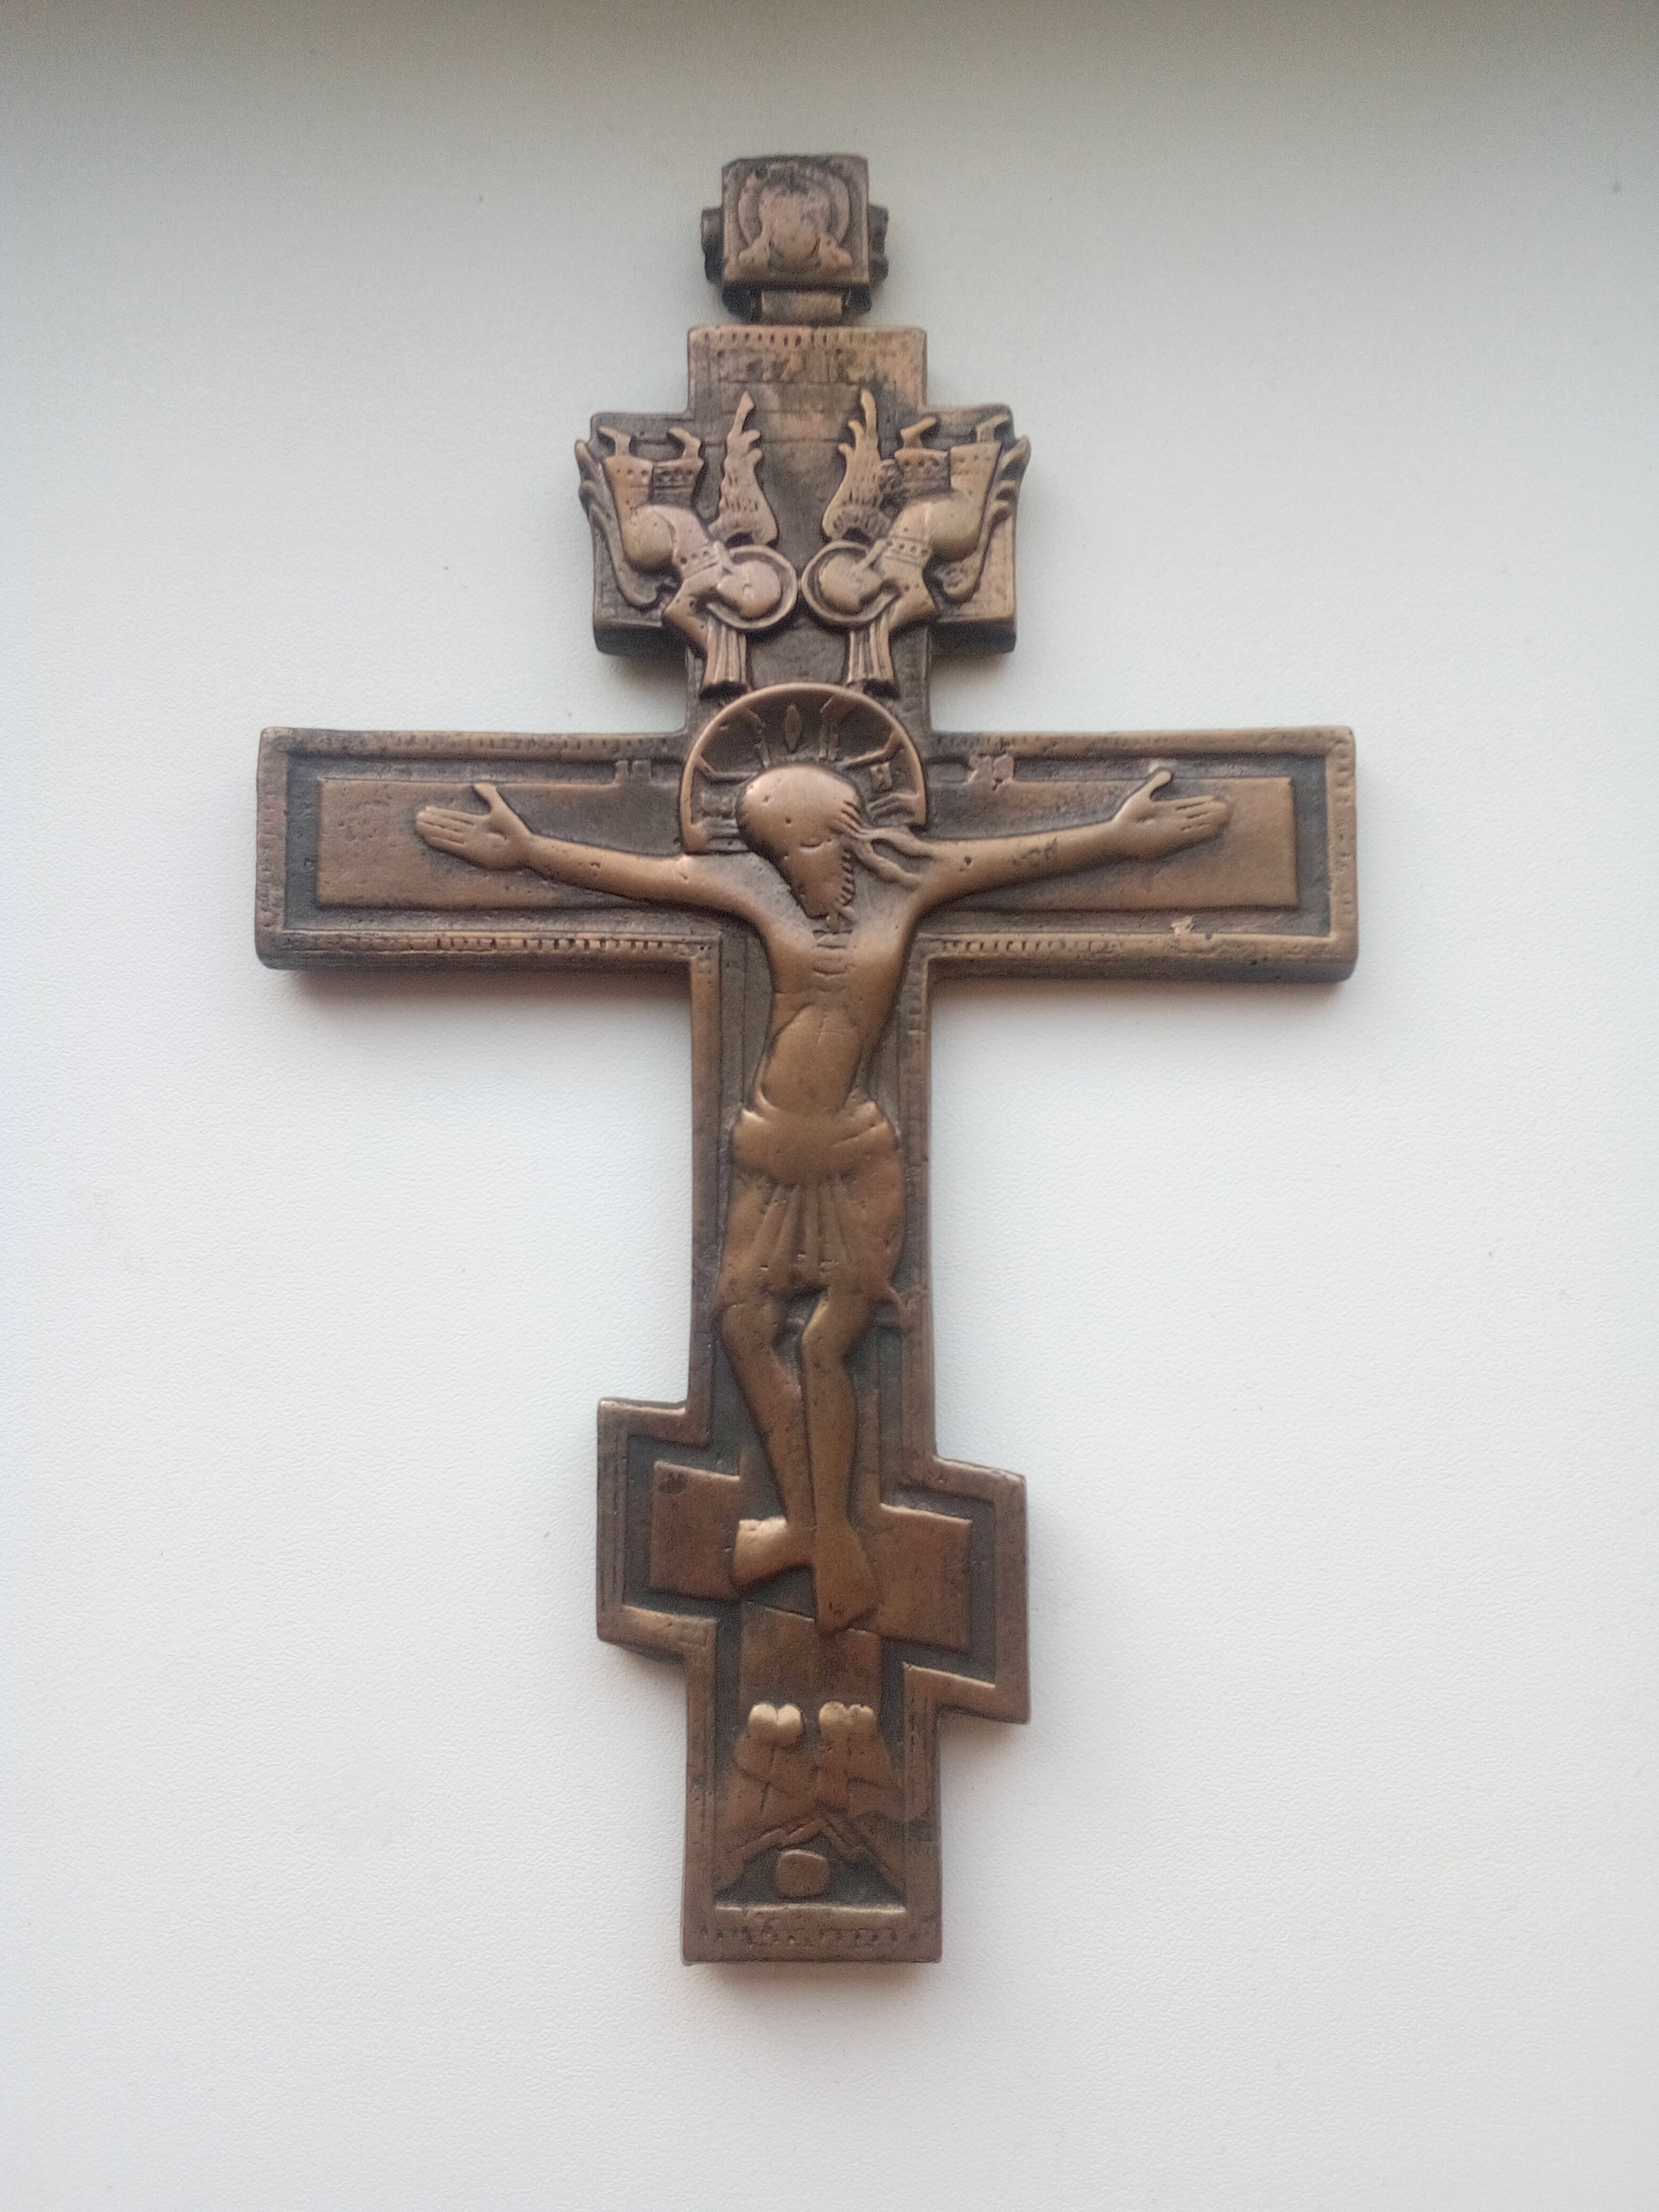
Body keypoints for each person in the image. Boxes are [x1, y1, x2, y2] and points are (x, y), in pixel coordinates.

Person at [416, 753, 1229, 1631]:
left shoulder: (909, 884)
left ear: (841, 835)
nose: (797, 866)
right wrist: (531, 852)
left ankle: (818, 1535)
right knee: (741, 1326)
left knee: (825, 1345)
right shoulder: (759, 896)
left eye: (806, 845)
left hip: (854, 1156)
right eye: (780, 852)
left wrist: (1116, 837)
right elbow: (649, 877)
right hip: (771, 1153)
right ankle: (816, 1533)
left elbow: (1020, 858)